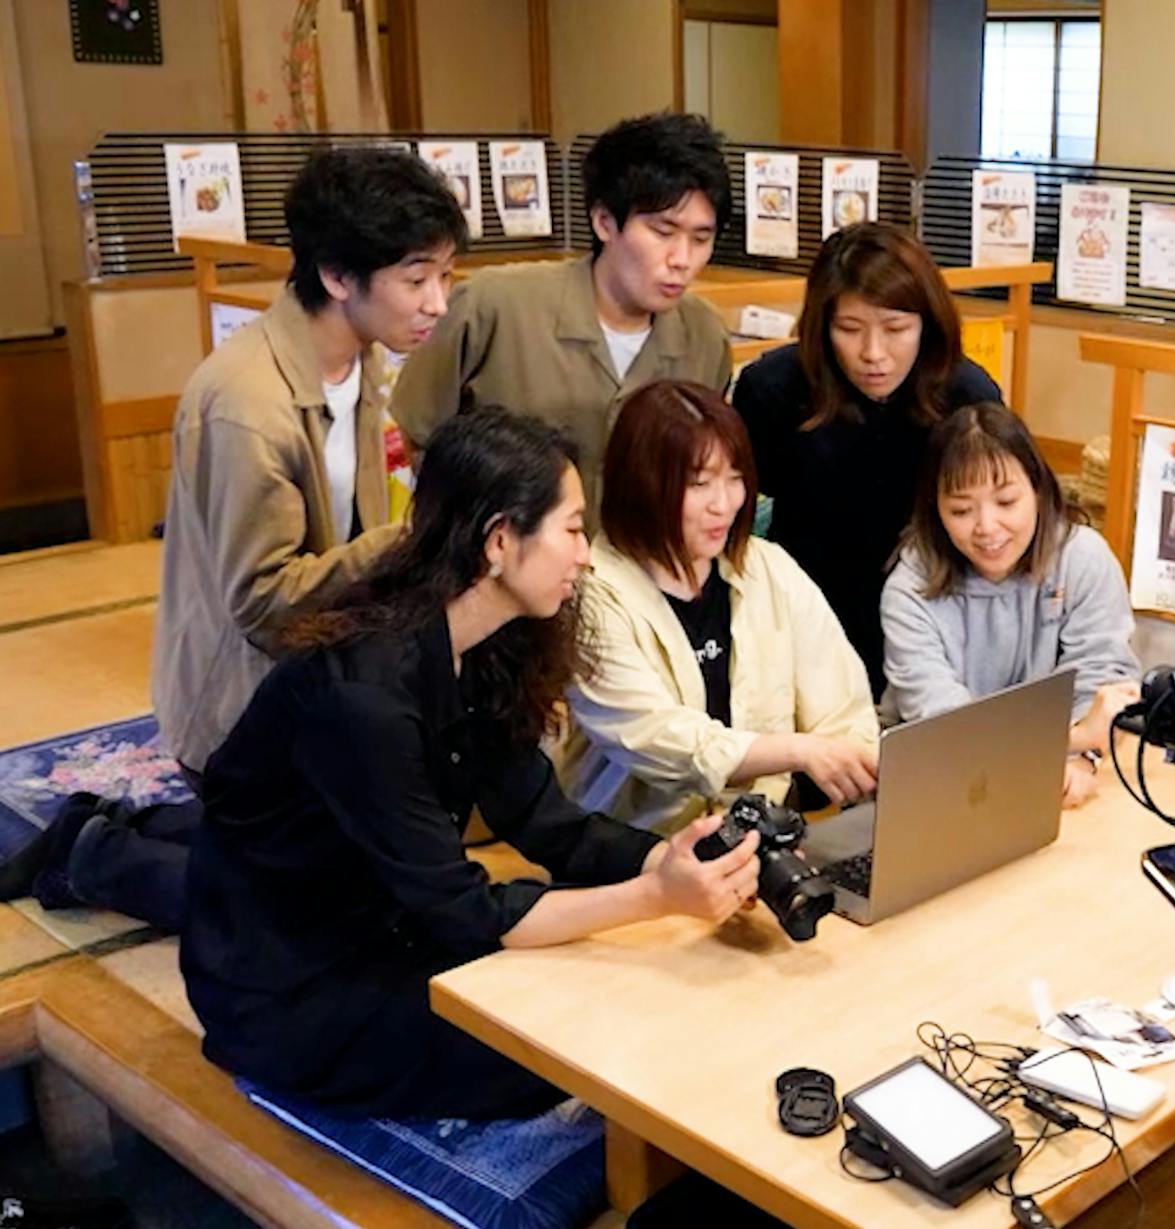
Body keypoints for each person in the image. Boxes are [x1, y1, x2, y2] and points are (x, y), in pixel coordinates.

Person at [180, 410, 763, 1120]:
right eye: (573, 528)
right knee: (561, 1055)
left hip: (393, 922)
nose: (585, 554)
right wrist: (655, 897)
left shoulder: (487, 643)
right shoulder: (364, 698)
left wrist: (672, 858)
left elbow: (552, 828)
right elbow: (466, 911)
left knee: (619, 997)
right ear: (498, 541)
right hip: (289, 981)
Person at [152, 145, 465, 779]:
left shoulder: (365, 359)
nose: (437, 301)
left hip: (323, 675)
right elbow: (263, 604)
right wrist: (411, 541)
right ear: (337, 277)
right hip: (240, 711)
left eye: (446, 276)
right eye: (415, 280)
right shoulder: (246, 401)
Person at [560, 379, 879, 831]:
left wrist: (855, 760)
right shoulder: (591, 592)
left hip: (761, 847)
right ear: (642, 483)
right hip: (633, 854)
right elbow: (658, 739)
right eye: (699, 483)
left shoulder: (768, 568)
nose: (724, 504)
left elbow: (843, 710)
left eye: (735, 478)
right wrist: (799, 750)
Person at [391, 111, 734, 518]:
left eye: (701, 238)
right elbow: (416, 434)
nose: (682, 259)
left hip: (633, 571)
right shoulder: (493, 306)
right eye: (663, 232)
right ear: (605, 222)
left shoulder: (706, 337)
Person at [732, 222, 1003, 694]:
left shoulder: (967, 397)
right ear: (822, 326)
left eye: (896, 328)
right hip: (804, 618)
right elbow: (734, 510)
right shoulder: (772, 390)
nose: (873, 354)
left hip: (931, 617)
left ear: (928, 323)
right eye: (849, 329)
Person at [880, 402, 1138, 809]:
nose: (986, 527)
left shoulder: (1082, 558)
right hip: (939, 783)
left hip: (1061, 774)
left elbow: (1102, 676)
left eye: (1006, 502)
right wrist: (1072, 739)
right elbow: (944, 724)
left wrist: (1082, 757)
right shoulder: (911, 587)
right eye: (962, 510)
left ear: (1037, 489)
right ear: (936, 511)